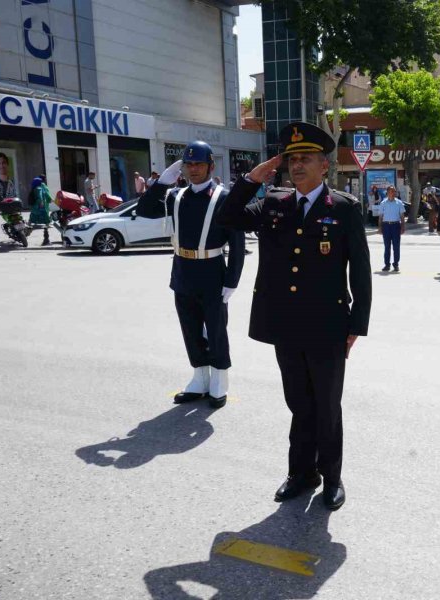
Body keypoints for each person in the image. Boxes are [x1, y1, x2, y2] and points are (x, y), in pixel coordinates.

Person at [216, 122, 372, 511]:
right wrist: (252, 179)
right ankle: (301, 474)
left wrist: (357, 325)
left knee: (327, 406)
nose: (297, 165)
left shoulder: (344, 209)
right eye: (292, 159)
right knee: (299, 404)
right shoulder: (274, 203)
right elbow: (227, 218)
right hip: (284, 324)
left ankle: (331, 477)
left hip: (327, 325)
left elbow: (361, 272)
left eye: (305, 159)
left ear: (325, 165)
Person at [136, 141, 246, 409]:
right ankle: (200, 378)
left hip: (212, 272)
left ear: (211, 166)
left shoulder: (224, 197)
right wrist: (162, 183)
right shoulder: (176, 196)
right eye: (189, 164)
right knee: (190, 328)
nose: (193, 169)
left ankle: (219, 381)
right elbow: (144, 209)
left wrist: (232, 281)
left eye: (199, 164)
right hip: (183, 271)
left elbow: (237, 243)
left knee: (216, 330)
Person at [378, 185, 405, 272]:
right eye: (391, 191)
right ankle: (387, 264)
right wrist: (380, 227)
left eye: (394, 191)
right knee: (387, 246)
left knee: (396, 246)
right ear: (388, 192)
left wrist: (403, 227)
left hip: (396, 226)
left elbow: (402, 216)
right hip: (386, 226)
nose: (393, 193)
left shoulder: (399, 203)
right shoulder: (383, 203)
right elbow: (380, 217)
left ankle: (396, 264)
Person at [28, 176, 54, 246]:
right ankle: (47, 225)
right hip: (39, 204)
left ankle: (29, 223)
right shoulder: (39, 188)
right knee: (44, 214)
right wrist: (42, 202)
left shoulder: (34, 188)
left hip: (35, 205)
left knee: (33, 214)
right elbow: (41, 195)